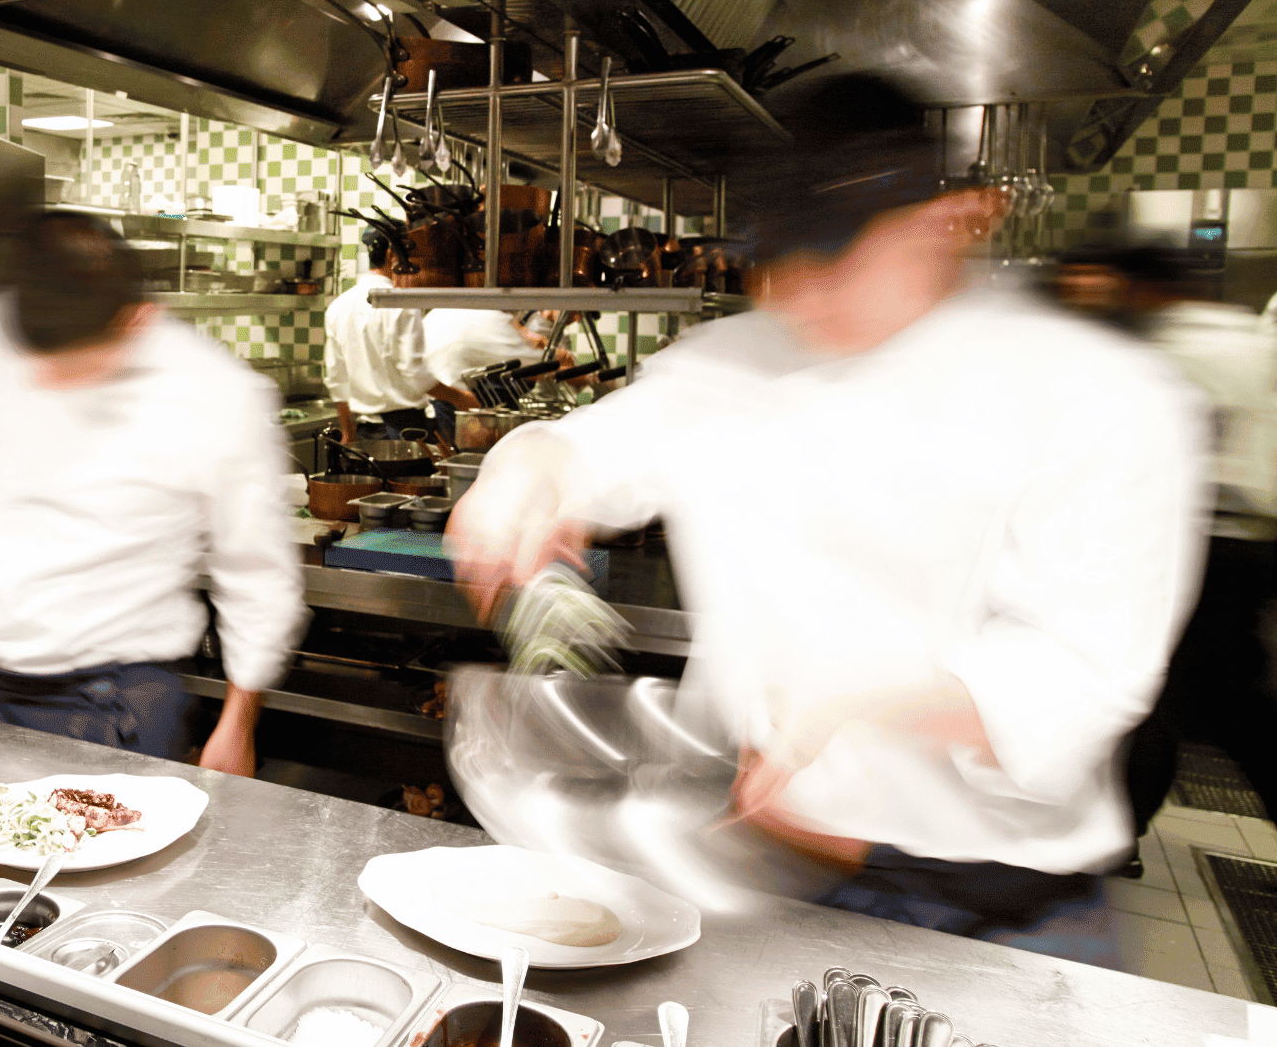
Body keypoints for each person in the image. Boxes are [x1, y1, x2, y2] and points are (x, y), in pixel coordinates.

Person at [447, 77, 1205, 965]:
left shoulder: (1101, 396)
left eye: (836, 263)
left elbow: (1079, 673)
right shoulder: (736, 359)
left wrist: (850, 712)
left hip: (992, 900)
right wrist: (529, 470)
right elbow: (602, 446)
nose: (799, 300)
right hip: (757, 859)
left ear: (950, 221)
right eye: (778, 270)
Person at [0, 211, 304, 774]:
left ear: (138, 320)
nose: (47, 380)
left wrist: (237, 726)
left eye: (74, 366)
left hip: (118, 705)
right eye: (35, 361)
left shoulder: (218, 394)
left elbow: (259, 576)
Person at [1102, 246, 1277, 832]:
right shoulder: (1247, 336)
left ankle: (1122, 830)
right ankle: (1125, 827)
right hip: (1247, 538)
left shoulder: (1167, 351)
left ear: (1145, 288)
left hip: (1200, 539)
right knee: (1208, 695)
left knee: (1183, 695)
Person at [323, 229, 479, 446]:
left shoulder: (338, 306)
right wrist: (461, 398)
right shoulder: (401, 301)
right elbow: (414, 373)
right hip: (405, 432)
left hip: (365, 433)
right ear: (390, 255)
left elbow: (336, 380)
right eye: (409, 253)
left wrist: (348, 432)